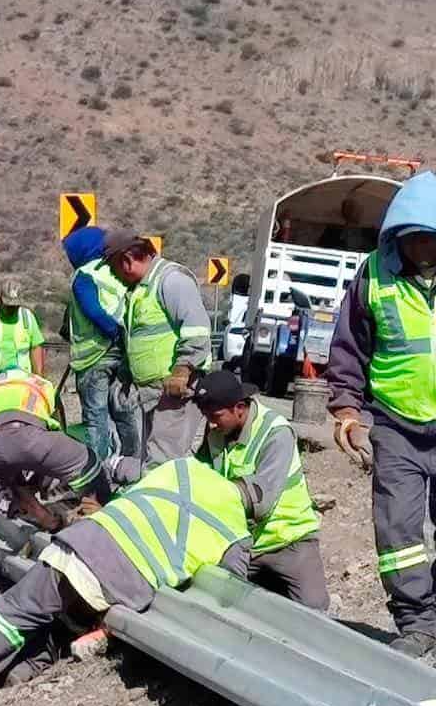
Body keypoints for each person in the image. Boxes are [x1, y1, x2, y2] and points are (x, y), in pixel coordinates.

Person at [0, 457, 251, 706]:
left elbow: (127, 469)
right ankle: (22, 671)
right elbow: (227, 590)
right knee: (68, 623)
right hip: (125, 588)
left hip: (90, 543)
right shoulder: (237, 532)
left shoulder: (185, 469)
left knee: (15, 613)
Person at [328, 170, 436, 658]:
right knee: (397, 530)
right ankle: (418, 622)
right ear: (398, 237)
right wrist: (347, 409)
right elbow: (348, 349)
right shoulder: (373, 276)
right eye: (417, 239)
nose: (427, 249)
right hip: (395, 424)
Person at [0, 369, 100, 610]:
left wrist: (31, 497)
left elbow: (7, 464)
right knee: (88, 464)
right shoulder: (40, 384)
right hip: (25, 432)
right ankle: (103, 518)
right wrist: (42, 490)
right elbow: (52, 436)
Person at [193, 370, 329, 610]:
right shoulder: (216, 432)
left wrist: (214, 494)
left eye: (215, 416)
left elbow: (261, 501)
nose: (211, 423)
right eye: (206, 417)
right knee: (217, 601)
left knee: (314, 613)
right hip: (242, 541)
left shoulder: (276, 432)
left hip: (289, 539)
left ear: (239, 408)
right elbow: (199, 475)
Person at [100, 230, 212, 486]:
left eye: (113, 268)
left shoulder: (171, 281)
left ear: (127, 260)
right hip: (152, 394)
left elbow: (197, 328)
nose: (114, 276)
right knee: (154, 458)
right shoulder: (141, 290)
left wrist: (183, 369)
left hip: (174, 390)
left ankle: (158, 518)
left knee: (160, 464)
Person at [62, 226, 140, 500]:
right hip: (123, 354)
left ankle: (99, 479)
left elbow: (92, 309)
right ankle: (135, 469)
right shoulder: (117, 270)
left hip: (94, 358)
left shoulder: (84, 276)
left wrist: (111, 331)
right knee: (125, 413)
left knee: (96, 419)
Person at [0, 280, 46, 376]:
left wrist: (38, 376)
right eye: (8, 306)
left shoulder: (27, 317)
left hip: (21, 376)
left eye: (15, 306)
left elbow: (36, 347)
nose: (12, 309)